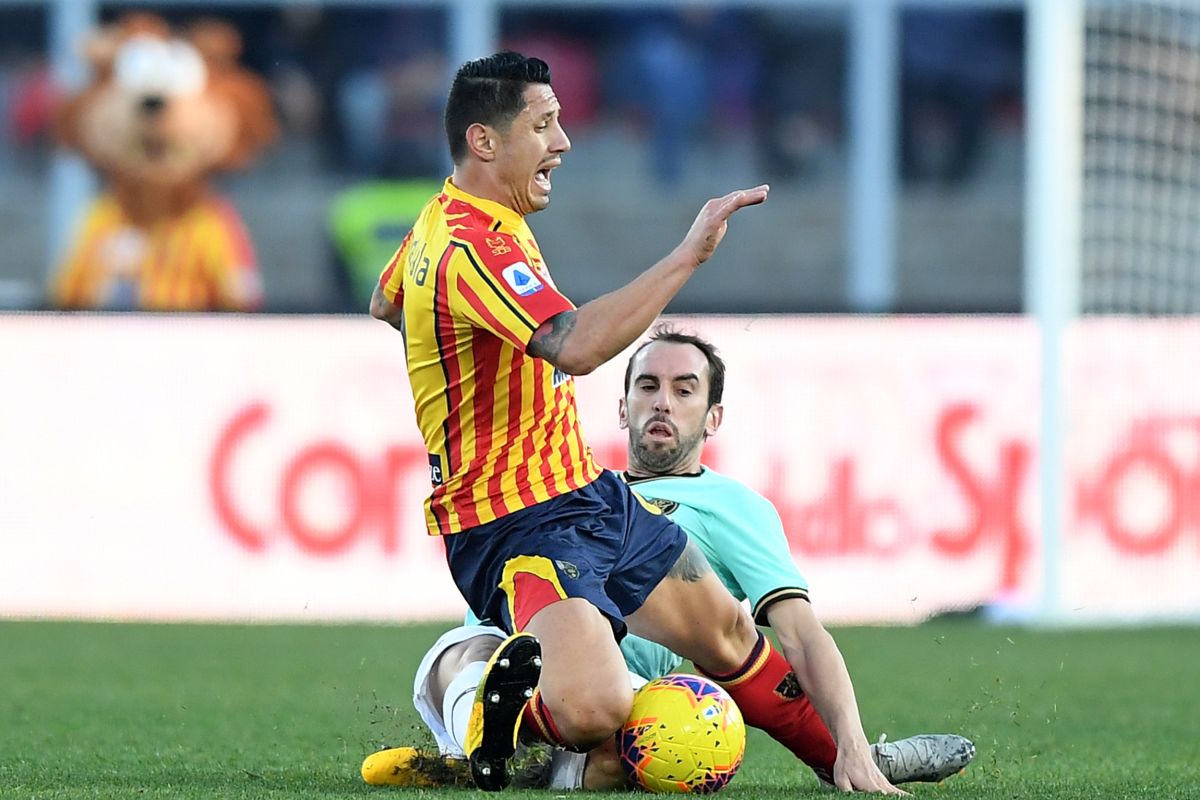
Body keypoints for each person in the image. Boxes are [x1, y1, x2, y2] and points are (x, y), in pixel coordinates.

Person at [370, 51, 906, 794]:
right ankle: (483, 714)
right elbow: (579, 346)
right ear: (485, 142)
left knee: (726, 633)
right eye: (544, 125)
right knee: (599, 708)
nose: (562, 142)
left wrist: (452, 384)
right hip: (517, 520)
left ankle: (849, 767)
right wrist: (690, 255)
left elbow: (387, 302)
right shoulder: (477, 245)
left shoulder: (442, 222)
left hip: (587, 495)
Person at [362, 327, 976, 791]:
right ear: (621, 407)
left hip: (616, 711)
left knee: (667, 729)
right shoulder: (568, 490)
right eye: (648, 387)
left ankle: (493, 759)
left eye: (685, 390)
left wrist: (851, 744)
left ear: (713, 417)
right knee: (459, 651)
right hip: (511, 656)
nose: (663, 402)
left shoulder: (734, 508)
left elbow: (798, 633)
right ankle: (491, 729)